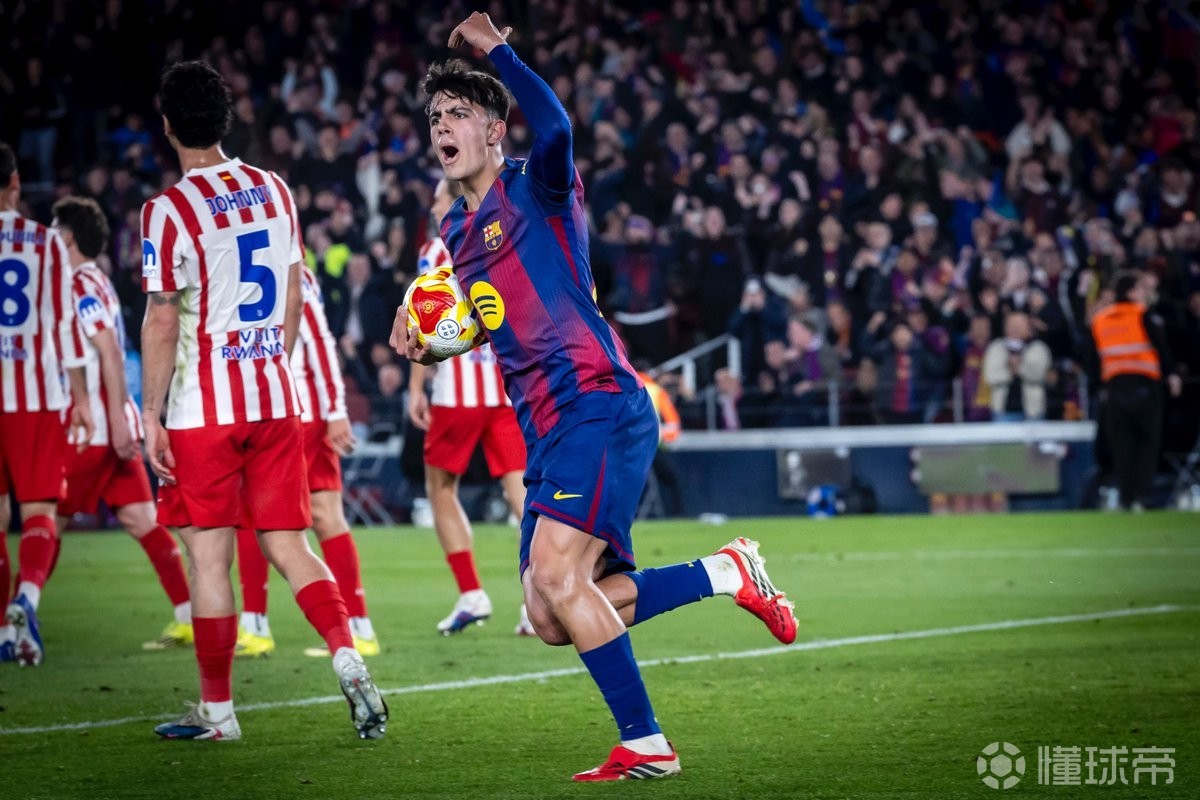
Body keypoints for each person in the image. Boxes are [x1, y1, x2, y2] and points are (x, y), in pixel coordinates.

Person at [392, 14, 797, 781]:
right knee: (550, 614)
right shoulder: (456, 230)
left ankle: (647, 743)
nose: (441, 126)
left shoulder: (536, 185)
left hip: (597, 400)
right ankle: (726, 573)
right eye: (435, 116)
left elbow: (556, 124)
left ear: (493, 130)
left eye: (457, 114)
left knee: (555, 575)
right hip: (545, 430)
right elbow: (492, 321)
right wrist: (433, 342)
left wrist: (495, 49)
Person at [139, 60, 385, 741]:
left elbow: (162, 318)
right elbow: (296, 290)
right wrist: (272, 359)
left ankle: (218, 713)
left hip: (203, 409)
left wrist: (150, 412)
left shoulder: (166, 211)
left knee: (209, 557)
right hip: (276, 398)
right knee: (290, 541)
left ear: (168, 126)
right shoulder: (274, 189)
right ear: (226, 119)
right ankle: (345, 651)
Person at [51, 195, 193, 650]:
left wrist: (112, 419)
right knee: (142, 520)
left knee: (46, 519)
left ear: (67, 238)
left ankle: (16, 616)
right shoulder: (99, 280)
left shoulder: (78, 283)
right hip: (118, 421)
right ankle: (189, 615)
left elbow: (109, 349)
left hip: (95, 427)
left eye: (54, 230)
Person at [233, 264, 382, 658]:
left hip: (302, 414)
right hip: (265, 412)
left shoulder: (292, 271)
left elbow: (319, 340)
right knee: (259, 512)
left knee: (318, 515)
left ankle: (355, 626)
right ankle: (257, 624)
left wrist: (336, 410)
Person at [407, 178, 531, 637]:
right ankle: (536, 600)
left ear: (452, 200)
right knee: (521, 493)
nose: (434, 205)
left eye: (439, 197)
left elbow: (423, 324)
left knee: (440, 487)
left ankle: (471, 593)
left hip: (455, 393)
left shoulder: (435, 249)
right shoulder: (501, 240)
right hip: (503, 388)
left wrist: (417, 387)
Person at [0, 142, 95, 666]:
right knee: (39, 510)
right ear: (15, 183)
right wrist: (80, 399)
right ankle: (27, 597)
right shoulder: (44, 243)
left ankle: (4, 630)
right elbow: (65, 324)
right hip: (35, 397)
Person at [1087, 271, 1182, 510]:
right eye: (1141, 289)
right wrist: (1172, 375)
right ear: (1130, 292)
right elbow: (1161, 348)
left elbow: (1092, 357)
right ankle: (1143, 496)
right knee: (1147, 442)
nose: (1145, 294)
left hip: (1114, 388)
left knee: (1122, 445)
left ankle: (1125, 497)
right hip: (1144, 386)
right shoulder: (1143, 314)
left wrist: (1099, 386)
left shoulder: (1101, 319)